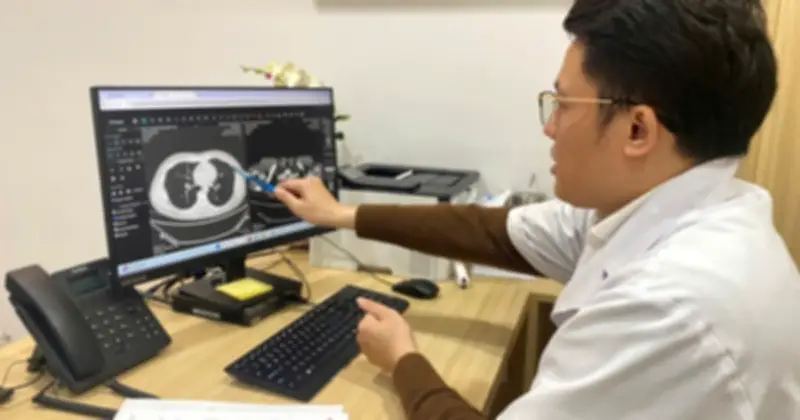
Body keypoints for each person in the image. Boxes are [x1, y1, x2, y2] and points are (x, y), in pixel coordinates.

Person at [273, 0, 800, 418]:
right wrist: (342, 216)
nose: (549, 127)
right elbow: (498, 231)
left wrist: (403, 361)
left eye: (563, 104)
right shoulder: (692, 207)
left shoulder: (668, 306)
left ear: (638, 129)